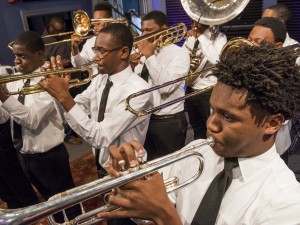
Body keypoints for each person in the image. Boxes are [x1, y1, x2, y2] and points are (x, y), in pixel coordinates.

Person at [99, 43, 300, 224]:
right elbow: (150, 210)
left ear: (272, 123)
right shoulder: (197, 151)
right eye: (212, 110)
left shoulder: (287, 203)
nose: (210, 124)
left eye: (228, 117)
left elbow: (162, 213)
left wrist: (165, 217)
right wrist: (134, 188)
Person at [0, 31, 80, 222]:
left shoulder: (49, 80)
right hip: (24, 155)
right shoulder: (16, 79)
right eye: (15, 56)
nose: (17, 61)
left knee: (67, 203)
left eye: (22, 56)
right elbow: (7, 116)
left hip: (49, 157)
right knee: (49, 204)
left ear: (39, 55)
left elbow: (32, 120)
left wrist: (4, 97)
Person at [131, 10, 190, 160]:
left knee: (171, 167)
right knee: (147, 165)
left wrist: (150, 56)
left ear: (164, 29)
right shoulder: (141, 53)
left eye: (149, 30)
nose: (144, 34)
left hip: (168, 122)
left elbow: (165, 87)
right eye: (142, 30)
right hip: (143, 119)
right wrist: (131, 67)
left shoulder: (179, 53)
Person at [0, 67, 39, 209]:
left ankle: (30, 206)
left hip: (2, 130)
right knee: (3, 184)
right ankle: (13, 203)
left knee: (12, 173)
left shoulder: (2, 72)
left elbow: (4, 115)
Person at [183, 19, 227, 139]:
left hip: (208, 90)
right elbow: (183, 59)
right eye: (191, 21)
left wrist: (201, 37)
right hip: (191, 89)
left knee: (212, 129)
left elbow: (216, 60)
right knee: (197, 129)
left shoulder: (220, 38)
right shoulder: (191, 37)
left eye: (197, 21)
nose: (193, 25)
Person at [43, 15, 83, 145]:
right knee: (63, 107)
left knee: (76, 103)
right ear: (49, 28)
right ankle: (68, 134)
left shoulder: (65, 35)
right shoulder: (43, 42)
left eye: (63, 30)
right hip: (58, 78)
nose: (61, 33)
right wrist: (59, 63)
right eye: (57, 31)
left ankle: (78, 129)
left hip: (73, 75)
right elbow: (43, 63)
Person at [71, 2, 113, 68]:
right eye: (94, 22)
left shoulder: (120, 38)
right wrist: (74, 48)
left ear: (110, 20)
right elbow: (80, 66)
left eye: (98, 23)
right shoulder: (89, 43)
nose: (95, 27)